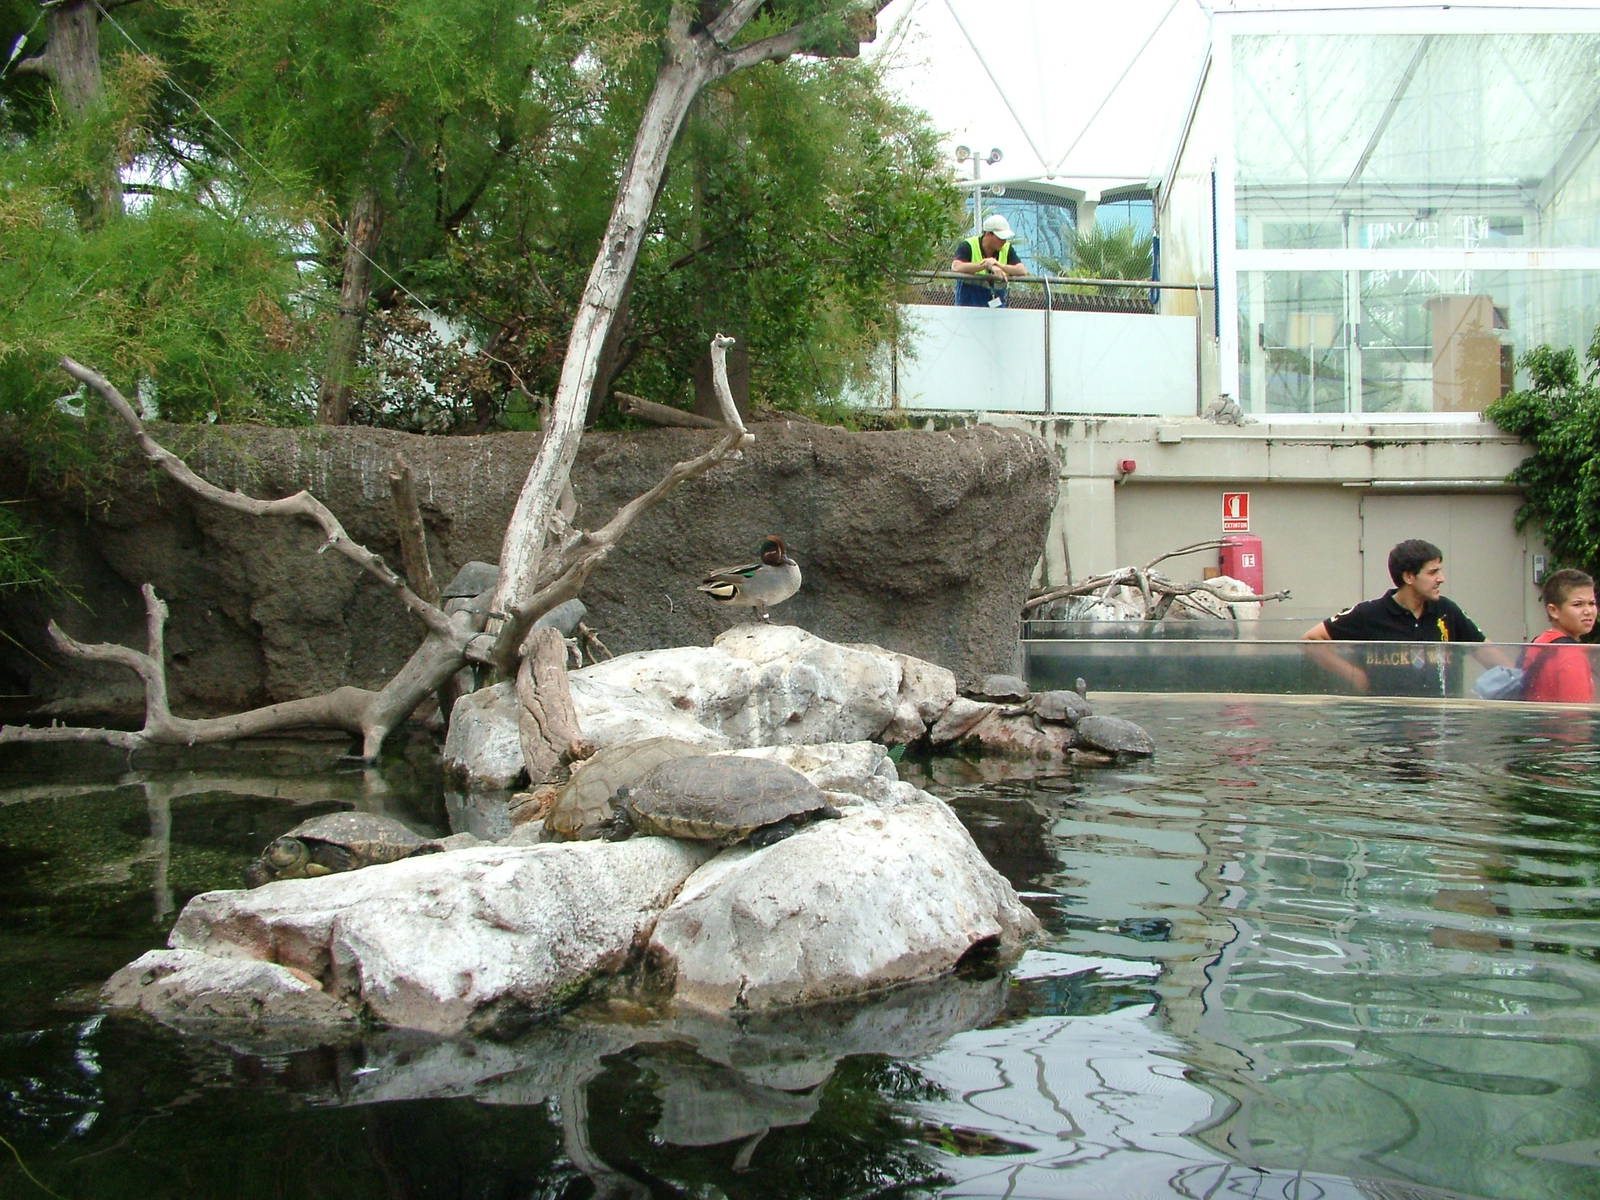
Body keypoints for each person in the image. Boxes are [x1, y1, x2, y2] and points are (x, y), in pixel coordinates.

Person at [1301, 538, 1502, 696]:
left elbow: (1483, 649)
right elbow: (1311, 640)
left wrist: (1518, 681)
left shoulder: (1447, 610)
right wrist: (1356, 677)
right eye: (1433, 572)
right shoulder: (1369, 613)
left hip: (1438, 721)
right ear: (1409, 577)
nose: (1441, 578)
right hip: (1385, 723)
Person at [1520, 568, 1596, 703]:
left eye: (1592, 603)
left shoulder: (1538, 643)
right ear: (1553, 611)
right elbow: (1575, 717)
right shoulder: (1572, 654)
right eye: (1578, 604)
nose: (1588, 611)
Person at [952, 214, 1027, 307]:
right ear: (988, 234)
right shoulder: (968, 245)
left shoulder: (1007, 248)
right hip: (969, 304)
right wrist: (985, 265)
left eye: (1005, 238)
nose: (1003, 241)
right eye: (1000, 238)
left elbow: (1022, 270)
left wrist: (998, 265)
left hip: (997, 305)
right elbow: (956, 266)